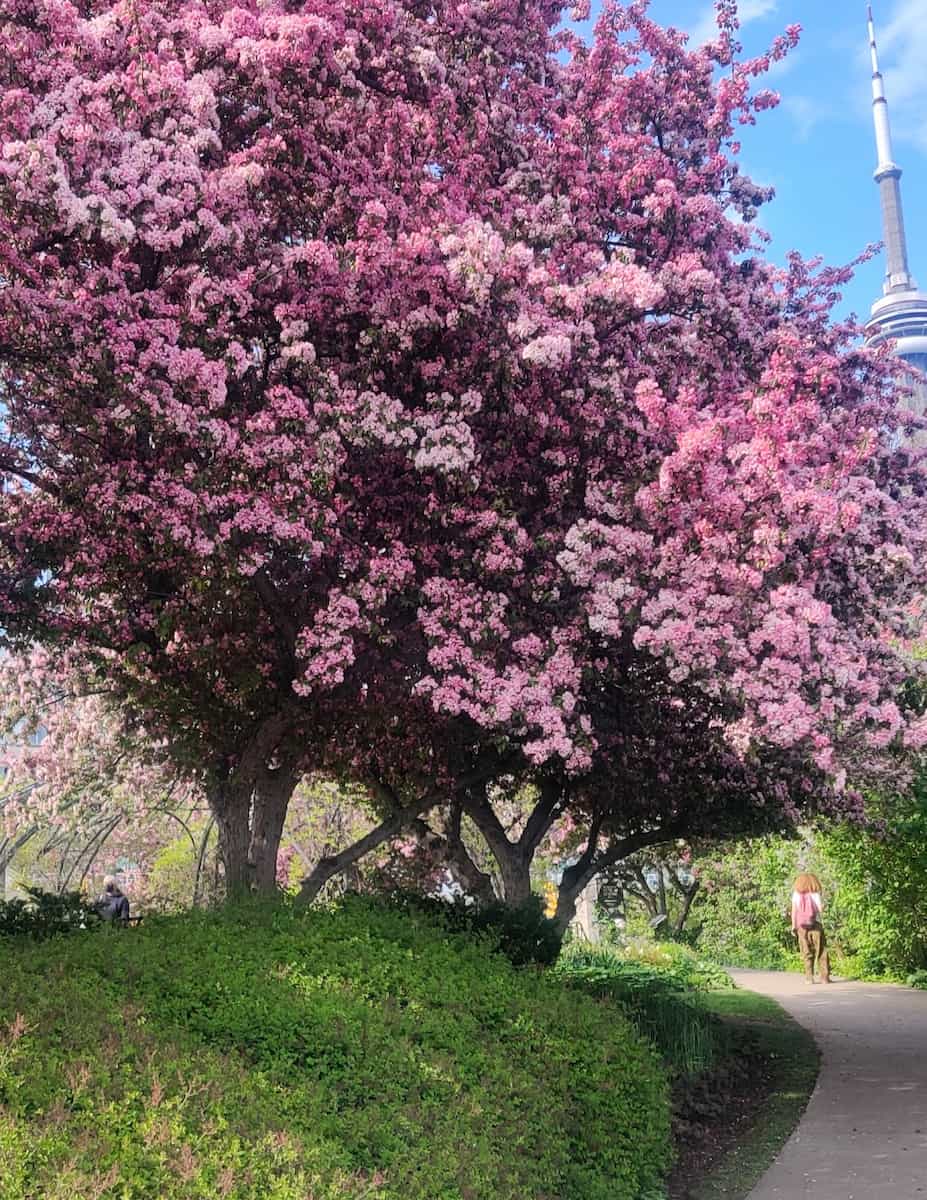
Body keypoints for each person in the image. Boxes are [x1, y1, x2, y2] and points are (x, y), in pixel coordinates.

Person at [791, 872, 830, 984]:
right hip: (816, 924)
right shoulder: (815, 894)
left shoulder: (796, 894)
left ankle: (809, 978)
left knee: (806, 951)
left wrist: (794, 926)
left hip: (802, 926)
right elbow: (820, 910)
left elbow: (794, 911)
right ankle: (824, 977)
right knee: (821, 950)